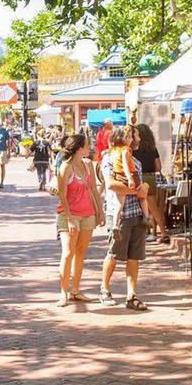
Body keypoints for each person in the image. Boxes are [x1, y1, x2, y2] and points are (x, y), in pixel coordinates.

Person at [99, 127, 151, 310]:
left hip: (135, 212)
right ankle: (104, 290)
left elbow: (140, 185)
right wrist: (134, 191)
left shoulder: (136, 161)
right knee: (114, 253)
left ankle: (131, 295)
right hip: (118, 213)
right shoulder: (108, 158)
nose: (131, 139)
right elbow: (111, 185)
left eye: (132, 136)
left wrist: (143, 189)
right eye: (128, 136)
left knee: (134, 256)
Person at [54, 132, 103, 308]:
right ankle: (63, 291)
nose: (90, 149)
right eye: (87, 145)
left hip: (88, 213)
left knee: (81, 252)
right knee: (68, 252)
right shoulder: (65, 167)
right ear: (79, 148)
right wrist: (69, 218)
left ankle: (75, 289)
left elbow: (94, 190)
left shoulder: (88, 165)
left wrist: (100, 211)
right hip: (69, 215)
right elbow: (61, 194)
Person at [130, 123, 171, 244]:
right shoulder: (153, 148)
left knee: (141, 207)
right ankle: (162, 232)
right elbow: (158, 167)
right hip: (150, 177)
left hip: (138, 177)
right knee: (153, 207)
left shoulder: (133, 149)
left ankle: (147, 233)